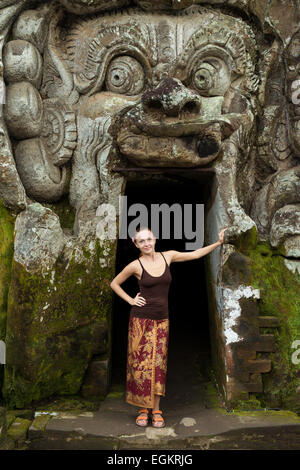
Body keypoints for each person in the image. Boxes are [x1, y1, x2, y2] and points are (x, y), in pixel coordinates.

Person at [110, 226, 227, 428]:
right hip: (140, 321)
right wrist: (130, 300)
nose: (146, 243)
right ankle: (142, 409)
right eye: (141, 241)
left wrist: (217, 243)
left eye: (149, 239)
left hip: (162, 320)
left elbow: (195, 254)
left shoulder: (168, 256)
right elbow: (114, 283)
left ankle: (156, 410)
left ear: (154, 239)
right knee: (140, 367)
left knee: (158, 365)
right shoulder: (135, 266)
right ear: (136, 243)